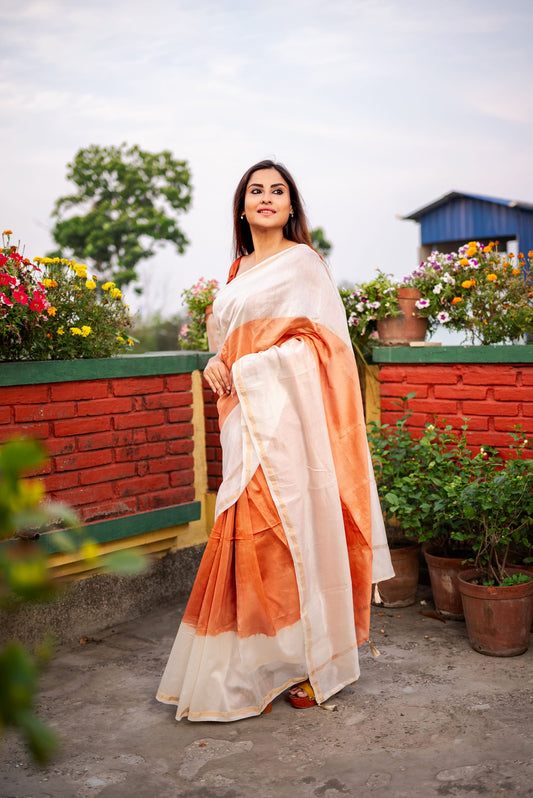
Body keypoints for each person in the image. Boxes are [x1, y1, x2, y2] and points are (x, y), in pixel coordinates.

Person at [156, 159, 393, 721]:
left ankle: (311, 662)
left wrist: (250, 368)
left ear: (291, 208)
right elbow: (226, 346)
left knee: (289, 535)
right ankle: (254, 665)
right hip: (245, 420)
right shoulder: (237, 273)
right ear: (243, 207)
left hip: (291, 425)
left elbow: (326, 349)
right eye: (255, 190)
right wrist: (217, 363)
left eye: (277, 191)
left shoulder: (304, 265)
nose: (266, 197)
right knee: (246, 537)